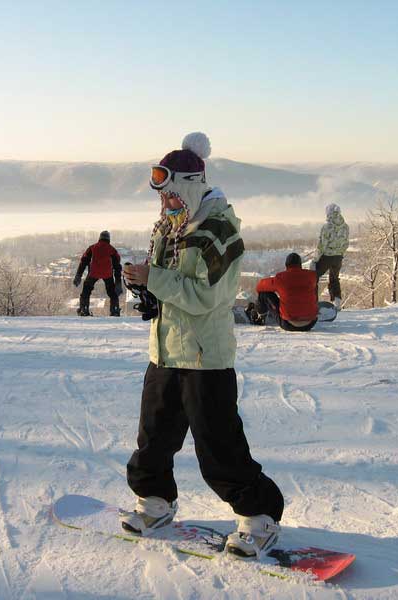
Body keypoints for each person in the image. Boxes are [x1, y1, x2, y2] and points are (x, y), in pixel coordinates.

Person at [121, 132, 284, 559]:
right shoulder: (170, 225)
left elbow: (207, 296)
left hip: (204, 357)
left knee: (218, 445)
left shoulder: (219, 231)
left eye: (172, 196)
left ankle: (259, 517)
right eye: (162, 198)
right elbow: (167, 283)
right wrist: (143, 283)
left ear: (191, 187)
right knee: (154, 437)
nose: (165, 205)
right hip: (165, 350)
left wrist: (154, 279)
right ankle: (155, 503)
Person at [247, 252, 318, 332]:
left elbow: (260, 287)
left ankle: (259, 317)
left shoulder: (281, 278)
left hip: (288, 324)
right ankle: (308, 311)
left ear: (286, 265)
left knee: (264, 294)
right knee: (313, 289)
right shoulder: (312, 276)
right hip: (310, 323)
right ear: (300, 264)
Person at [73, 231, 122, 316]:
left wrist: (78, 275)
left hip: (93, 273)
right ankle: (115, 310)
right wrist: (118, 282)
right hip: (108, 274)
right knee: (112, 292)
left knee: (86, 290)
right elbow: (117, 266)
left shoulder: (92, 248)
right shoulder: (112, 249)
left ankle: (84, 309)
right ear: (108, 239)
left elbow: (83, 261)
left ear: (99, 238)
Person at [313, 204, 349, 310]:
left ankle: (313, 303)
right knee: (334, 279)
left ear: (328, 213)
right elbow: (346, 243)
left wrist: (315, 259)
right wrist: (340, 253)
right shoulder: (345, 226)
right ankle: (337, 303)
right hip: (338, 257)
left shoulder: (327, 226)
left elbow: (322, 245)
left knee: (313, 277)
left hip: (327, 257)